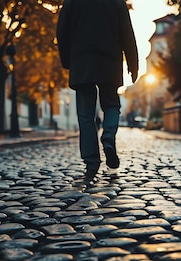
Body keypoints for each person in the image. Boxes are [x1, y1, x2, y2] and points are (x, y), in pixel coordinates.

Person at [56, 0, 138, 181]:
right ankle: (108, 137)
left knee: (85, 115)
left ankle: (91, 162)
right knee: (111, 106)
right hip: (109, 63)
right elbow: (127, 33)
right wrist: (133, 64)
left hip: (81, 62)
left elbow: (62, 31)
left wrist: (67, 60)